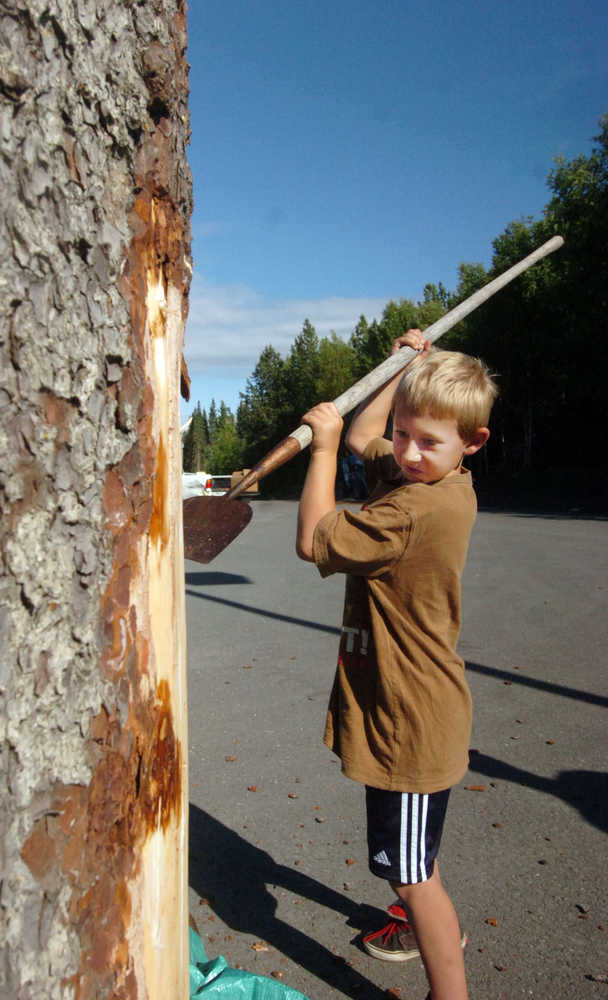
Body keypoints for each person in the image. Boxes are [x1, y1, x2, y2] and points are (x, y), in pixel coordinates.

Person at [295, 330, 498, 1000]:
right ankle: (433, 932)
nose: (406, 452)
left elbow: (311, 537)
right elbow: (364, 437)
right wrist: (400, 369)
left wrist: (318, 451)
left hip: (411, 726)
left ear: (474, 441)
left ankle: (451, 988)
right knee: (408, 862)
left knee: (411, 871)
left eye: (426, 441)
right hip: (405, 711)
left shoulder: (415, 509)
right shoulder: (437, 479)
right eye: (405, 433)